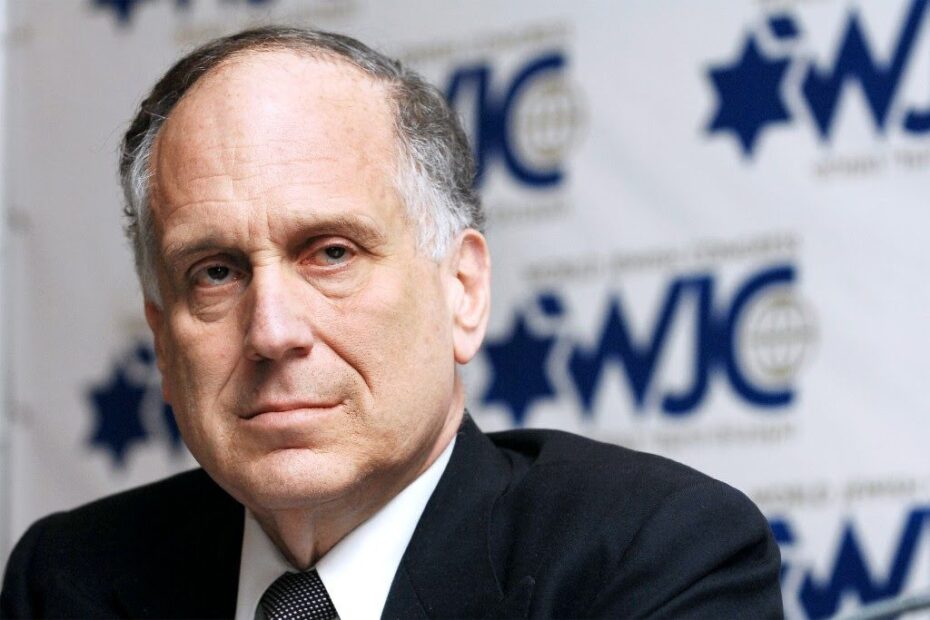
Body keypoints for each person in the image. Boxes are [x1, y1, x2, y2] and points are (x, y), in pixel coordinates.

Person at [0, 26, 783, 619]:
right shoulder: (68, 581)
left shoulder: (652, 558)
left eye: (331, 253)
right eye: (216, 272)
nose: (272, 331)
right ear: (163, 343)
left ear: (463, 291)